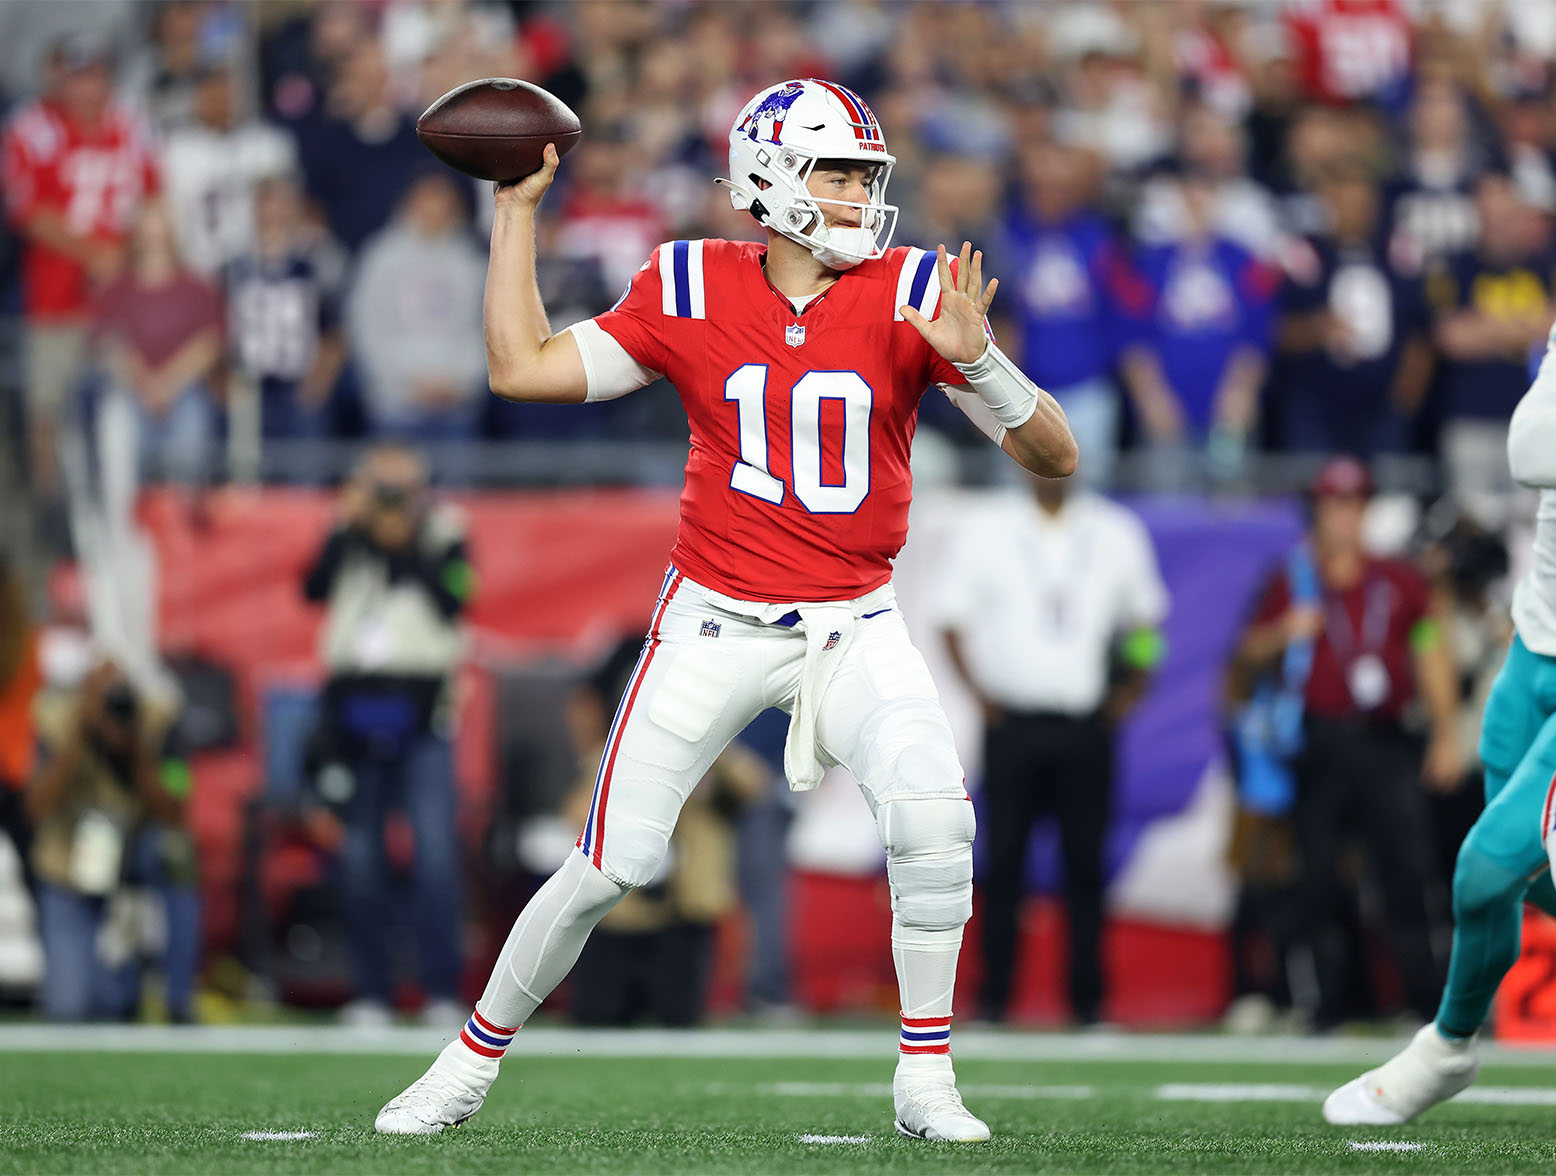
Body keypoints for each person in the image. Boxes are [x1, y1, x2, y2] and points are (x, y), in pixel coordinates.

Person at [375, 78, 1076, 1142]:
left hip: (855, 619)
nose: (856, 195)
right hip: (713, 618)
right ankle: (465, 1064)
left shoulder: (913, 290)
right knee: (611, 862)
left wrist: (977, 358)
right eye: (836, 173)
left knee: (934, 817)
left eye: (863, 176)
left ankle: (924, 1080)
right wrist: (514, 213)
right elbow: (521, 369)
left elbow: (1054, 457)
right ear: (770, 180)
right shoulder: (689, 282)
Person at [1323, 331, 1556, 1125]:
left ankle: (1446, 1047)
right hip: (1535, 643)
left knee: (1484, 867)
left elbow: (1531, 450)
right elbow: (1532, 448)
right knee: (1530, 879)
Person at [1233, 457, 1463, 1030]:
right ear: (1320, 511)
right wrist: (1283, 633)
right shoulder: (1293, 580)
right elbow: (1245, 659)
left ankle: (1425, 1005)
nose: (1344, 517)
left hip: (1386, 740)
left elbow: (1429, 647)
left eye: (1354, 504)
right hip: (1320, 741)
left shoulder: (1397, 580)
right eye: (1334, 505)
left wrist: (1446, 731)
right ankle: (1325, 1005)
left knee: (1406, 872)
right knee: (1317, 875)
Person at [933, 473, 1167, 1025]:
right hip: (1012, 722)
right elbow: (950, 620)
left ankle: (1087, 1001)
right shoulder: (987, 526)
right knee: (1004, 862)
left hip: (1087, 725)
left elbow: (1147, 620)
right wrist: (981, 696)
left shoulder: (1114, 529)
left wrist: (1131, 691)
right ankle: (995, 998)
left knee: (1086, 864)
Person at [301, 444, 473, 1027]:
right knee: (359, 855)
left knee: (434, 855)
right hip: (356, 705)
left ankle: (440, 989)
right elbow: (313, 589)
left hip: (423, 708)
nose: (391, 499)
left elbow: (456, 598)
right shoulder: (348, 529)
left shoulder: (445, 531)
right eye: (383, 485)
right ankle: (371, 990)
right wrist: (351, 527)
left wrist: (410, 540)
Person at [562, 637, 767, 1026]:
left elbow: (754, 787)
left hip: (684, 915)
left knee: (680, 1016)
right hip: (622, 915)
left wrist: (710, 744)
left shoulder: (716, 756)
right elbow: (574, 814)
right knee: (597, 1014)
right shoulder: (615, 751)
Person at [1, 34, 159, 500]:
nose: (87, 87)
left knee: (130, 407)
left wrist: (127, 256)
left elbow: (154, 195)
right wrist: (97, 255)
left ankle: (136, 503)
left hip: (123, 298)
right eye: (77, 75)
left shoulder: (131, 124)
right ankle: (54, 524)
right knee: (48, 413)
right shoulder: (31, 128)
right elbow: (28, 212)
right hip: (55, 300)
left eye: (94, 74)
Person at [27, 660, 198, 1021]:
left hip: (137, 851)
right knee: (71, 1009)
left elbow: (177, 810)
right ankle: (120, 986)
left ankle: (179, 998)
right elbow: (35, 808)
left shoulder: (160, 722)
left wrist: (136, 750)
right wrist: (80, 736)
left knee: (179, 855)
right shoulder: (56, 719)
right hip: (71, 860)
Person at [344, 172, 488, 442]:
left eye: (443, 198)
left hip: (456, 407)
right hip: (394, 407)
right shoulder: (381, 258)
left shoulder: (471, 261)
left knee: (458, 484)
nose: (434, 207)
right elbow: (366, 327)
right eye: (427, 196)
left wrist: (461, 383)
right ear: (409, 201)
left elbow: (486, 329)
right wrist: (405, 384)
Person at [91, 200, 223, 484]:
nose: (154, 240)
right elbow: (108, 343)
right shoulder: (117, 288)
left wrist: (168, 384)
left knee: (193, 419)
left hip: (184, 390)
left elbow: (209, 344)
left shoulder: (196, 287)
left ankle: (181, 513)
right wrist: (143, 381)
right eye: (147, 231)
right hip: (130, 390)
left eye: (160, 231)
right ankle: (126, 516)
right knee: (115, 418)